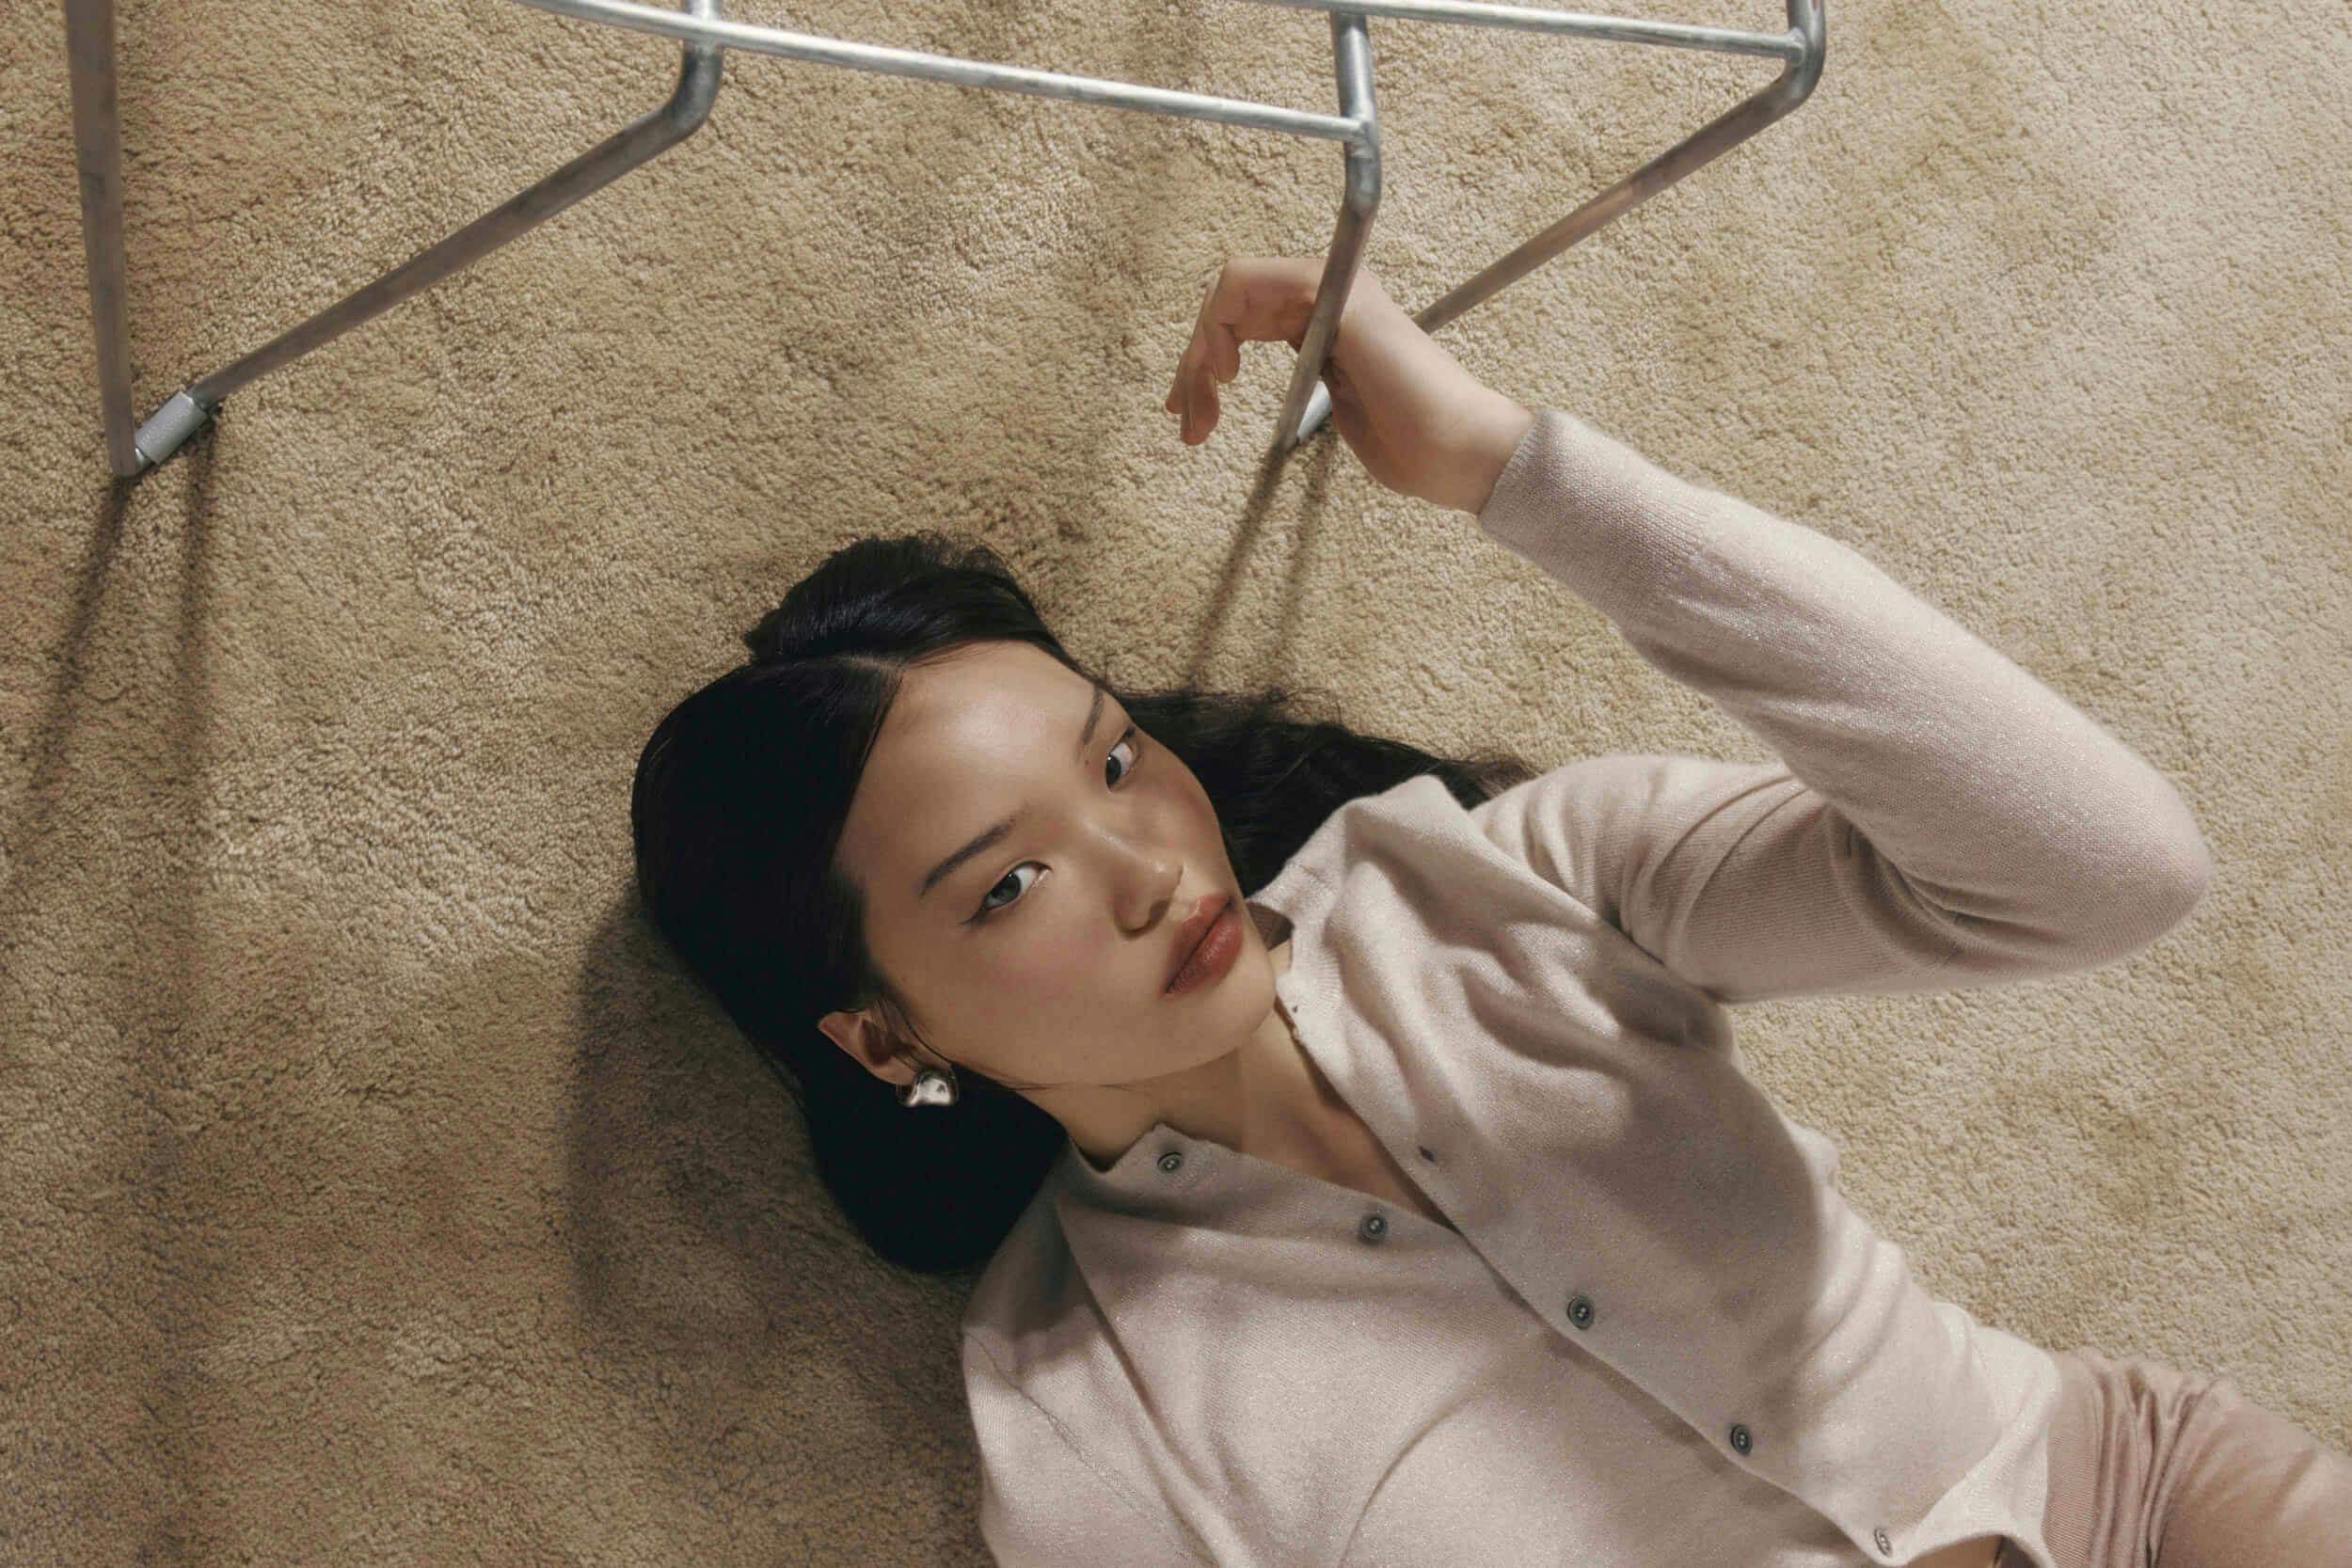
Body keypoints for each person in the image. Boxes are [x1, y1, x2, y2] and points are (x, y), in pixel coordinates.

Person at [629, 257, 2351, 1567]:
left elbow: (2108, 869)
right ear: (882, 1033)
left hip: (2124, 1501)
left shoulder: (1502, 872)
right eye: (1010, 884)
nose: (1154, 865)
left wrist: (1509, 469)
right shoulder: (1085, 1426)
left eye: (1119, 760)